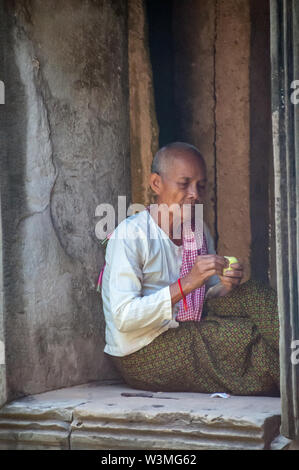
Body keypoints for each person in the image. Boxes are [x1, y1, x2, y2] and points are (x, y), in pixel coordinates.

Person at [101, 142, 280, 396]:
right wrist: (187, 283)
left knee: (253, 295)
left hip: (186, 322)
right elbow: (124, 318)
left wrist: (225, 286)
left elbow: (203, 298)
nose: (194, 193)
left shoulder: (198, 230)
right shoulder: (131, 235)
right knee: (243, 339)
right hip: (141, 351)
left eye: (201, 186)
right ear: (156, 184)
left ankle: (290, 351)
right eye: (184, 184)